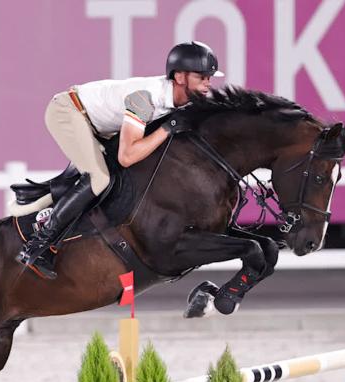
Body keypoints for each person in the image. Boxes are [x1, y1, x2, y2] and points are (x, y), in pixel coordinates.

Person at [16, 41, 223, 279]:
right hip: (68, 112)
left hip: (96, 124)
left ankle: (50, 205)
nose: (208, 83)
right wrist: (168, 129)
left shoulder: (179, 100)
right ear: (179, 77)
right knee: (99, 179)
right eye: (202, 77)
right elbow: (127, 157)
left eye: (210, 77)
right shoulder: (145, 98)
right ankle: (37, 246)